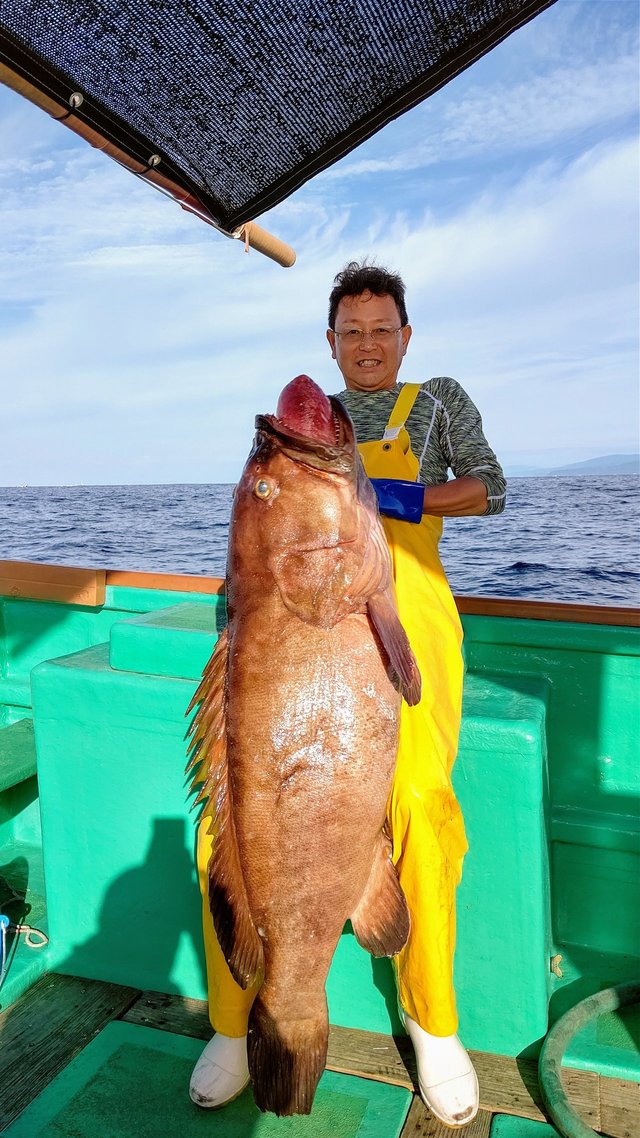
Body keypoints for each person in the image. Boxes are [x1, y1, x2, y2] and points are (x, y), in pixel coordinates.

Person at [189, 261, 506, 1127]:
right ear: (330, 342)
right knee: (229, 831)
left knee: (420, 812)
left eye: (381, 329)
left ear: (405, 336)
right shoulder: (309, 427)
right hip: (291, 637)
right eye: (350, 331)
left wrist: (406, 495)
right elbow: (255, 541)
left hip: (412, 621)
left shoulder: (435, 403)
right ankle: (235, 1019)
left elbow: (491, 488)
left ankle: (431, 1023)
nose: (366, 344)